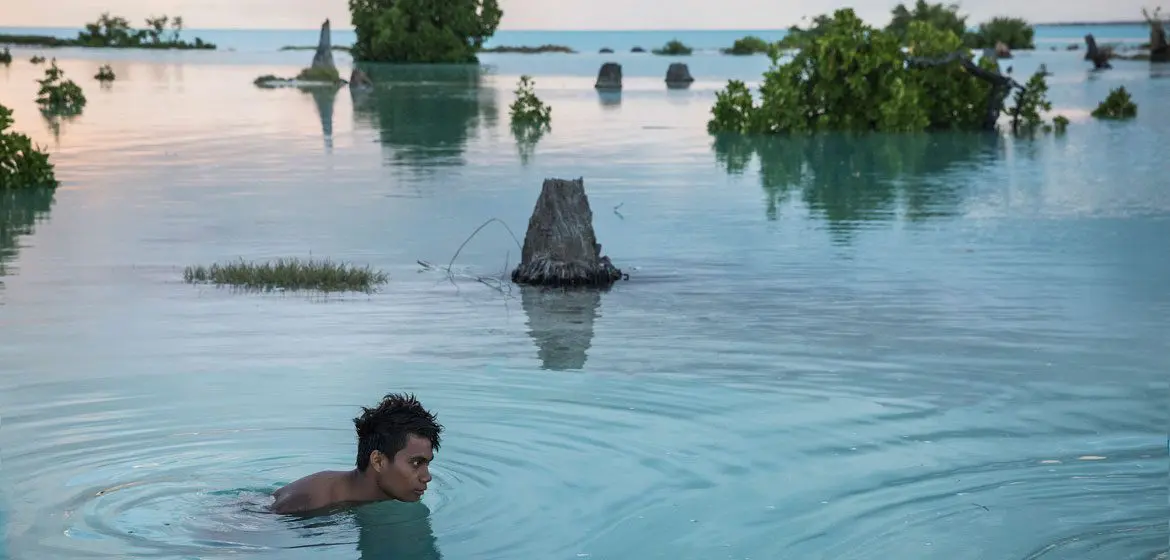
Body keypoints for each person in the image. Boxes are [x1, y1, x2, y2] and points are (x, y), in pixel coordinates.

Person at [269, 393, 443, 515]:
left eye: (427, 463)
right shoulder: (308, 502)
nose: (427, 477)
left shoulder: (380, 495)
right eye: (415, 463)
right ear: (378, 461)